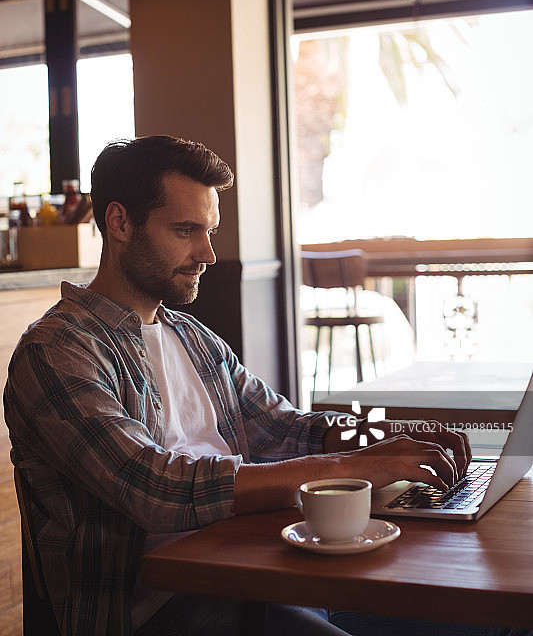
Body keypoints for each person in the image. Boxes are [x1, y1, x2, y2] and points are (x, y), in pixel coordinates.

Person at [2, 135, 517, 636]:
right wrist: (345, 467)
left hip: (259, 571)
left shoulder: (190, 336)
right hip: (161, 612)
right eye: (185, 231)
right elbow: (155, 487)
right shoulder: (57, 352)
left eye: (210, 230)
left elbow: (282, 428)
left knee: (502, 615)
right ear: (119, 222)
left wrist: (386, 442)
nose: (207, 253)